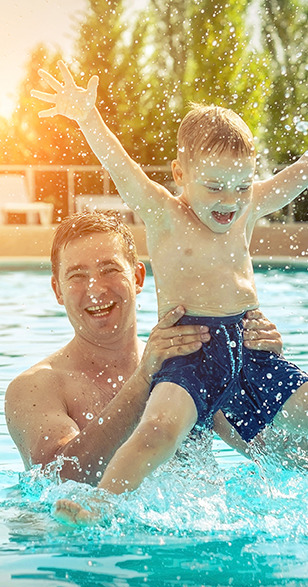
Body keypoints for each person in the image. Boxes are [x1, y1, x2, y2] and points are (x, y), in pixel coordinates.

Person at [30, 62, 307, 523]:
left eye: (242, 185)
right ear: (180, 174)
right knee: (156, 432)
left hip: (252, 348)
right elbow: (121, 165)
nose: (229, 200)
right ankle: (99, 502)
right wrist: (86, 117)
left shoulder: (246, 205)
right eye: (215, 186)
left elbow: (296, 177)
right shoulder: (163, 213)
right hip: (190, 348)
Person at [4, 211, 279, 488]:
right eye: (77, 275)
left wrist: (264, 371)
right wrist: (144, 379)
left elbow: (278, 454)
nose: (95, 289)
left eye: (109, 270)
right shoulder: (36, 388)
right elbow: (58, 481)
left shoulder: (187, 367)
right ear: (58, 290)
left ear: (137, 277)